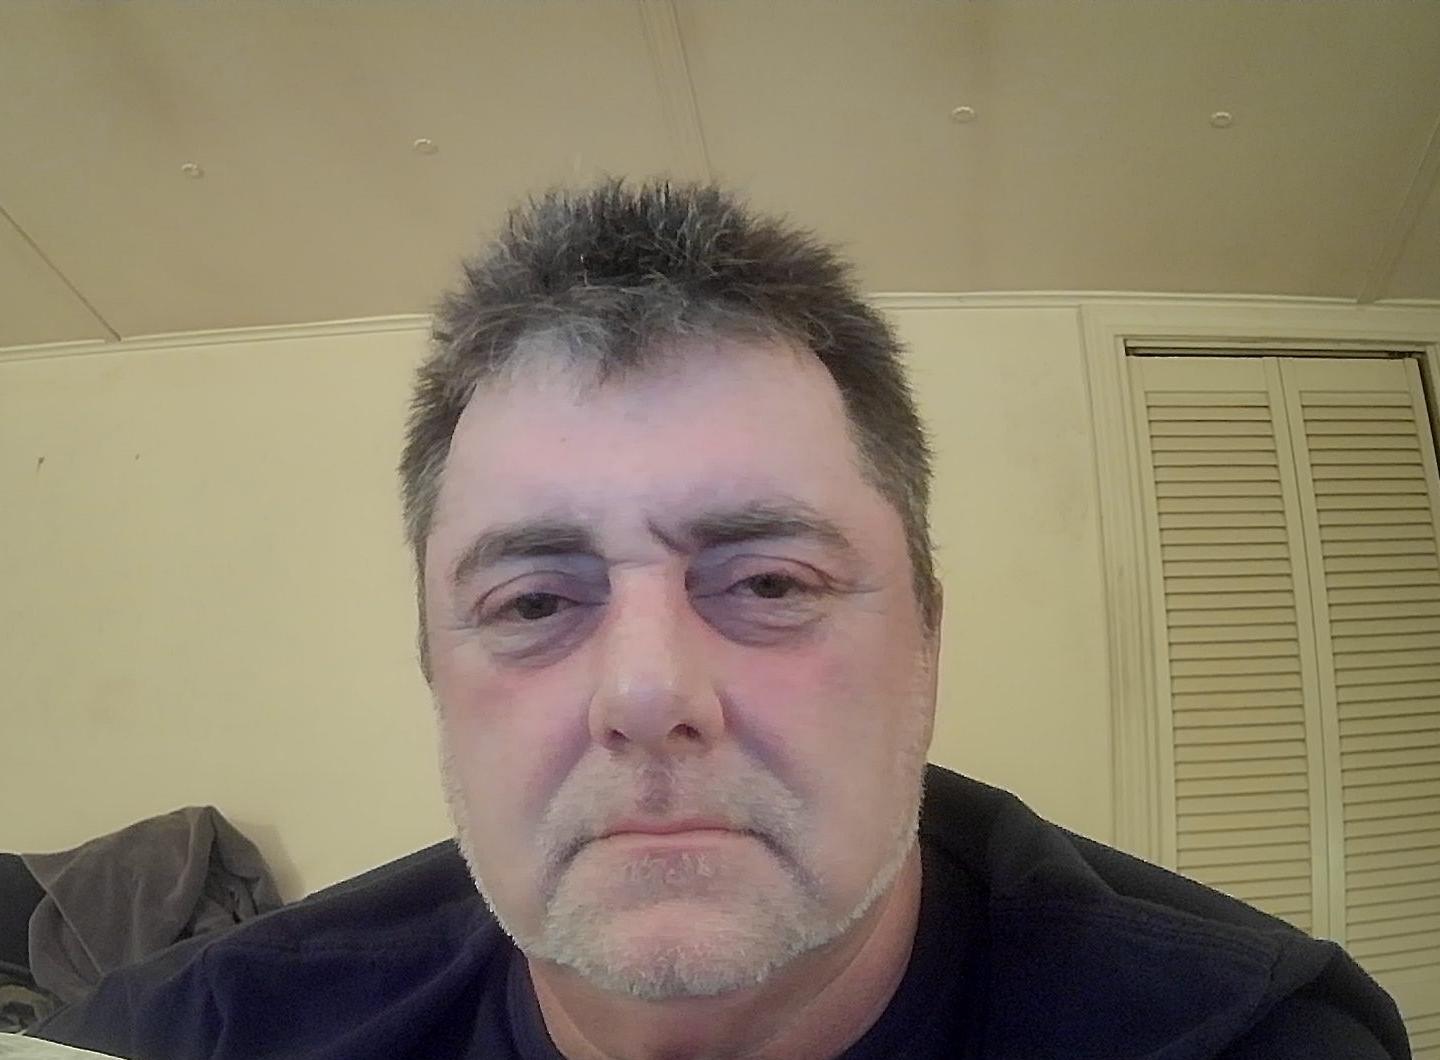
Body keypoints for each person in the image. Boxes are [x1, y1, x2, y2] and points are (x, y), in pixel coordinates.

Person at [36, 181, 1408, 1059]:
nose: (647, 692)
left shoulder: (1252, 1039)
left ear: (927, 646)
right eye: (533, 599)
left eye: (768, 583)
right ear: (434, 676)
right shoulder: (205, 1033)